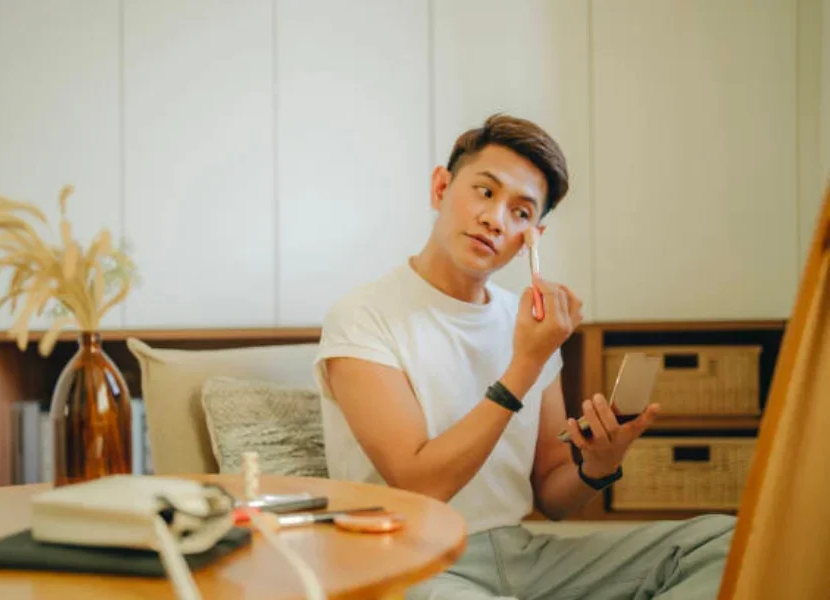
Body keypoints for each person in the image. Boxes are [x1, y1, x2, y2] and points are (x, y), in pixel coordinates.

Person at [312, 114, 735, 599]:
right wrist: (524, 366)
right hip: (412, 564)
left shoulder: (526, 323)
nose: (495, 219)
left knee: (722, 542)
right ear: (441, 187)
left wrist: (598, 465)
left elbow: (552, 496)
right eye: (485, 192)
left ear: (532, 237)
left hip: (521, 556)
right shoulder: (363, 316)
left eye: (521, 212)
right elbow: (420, 486)